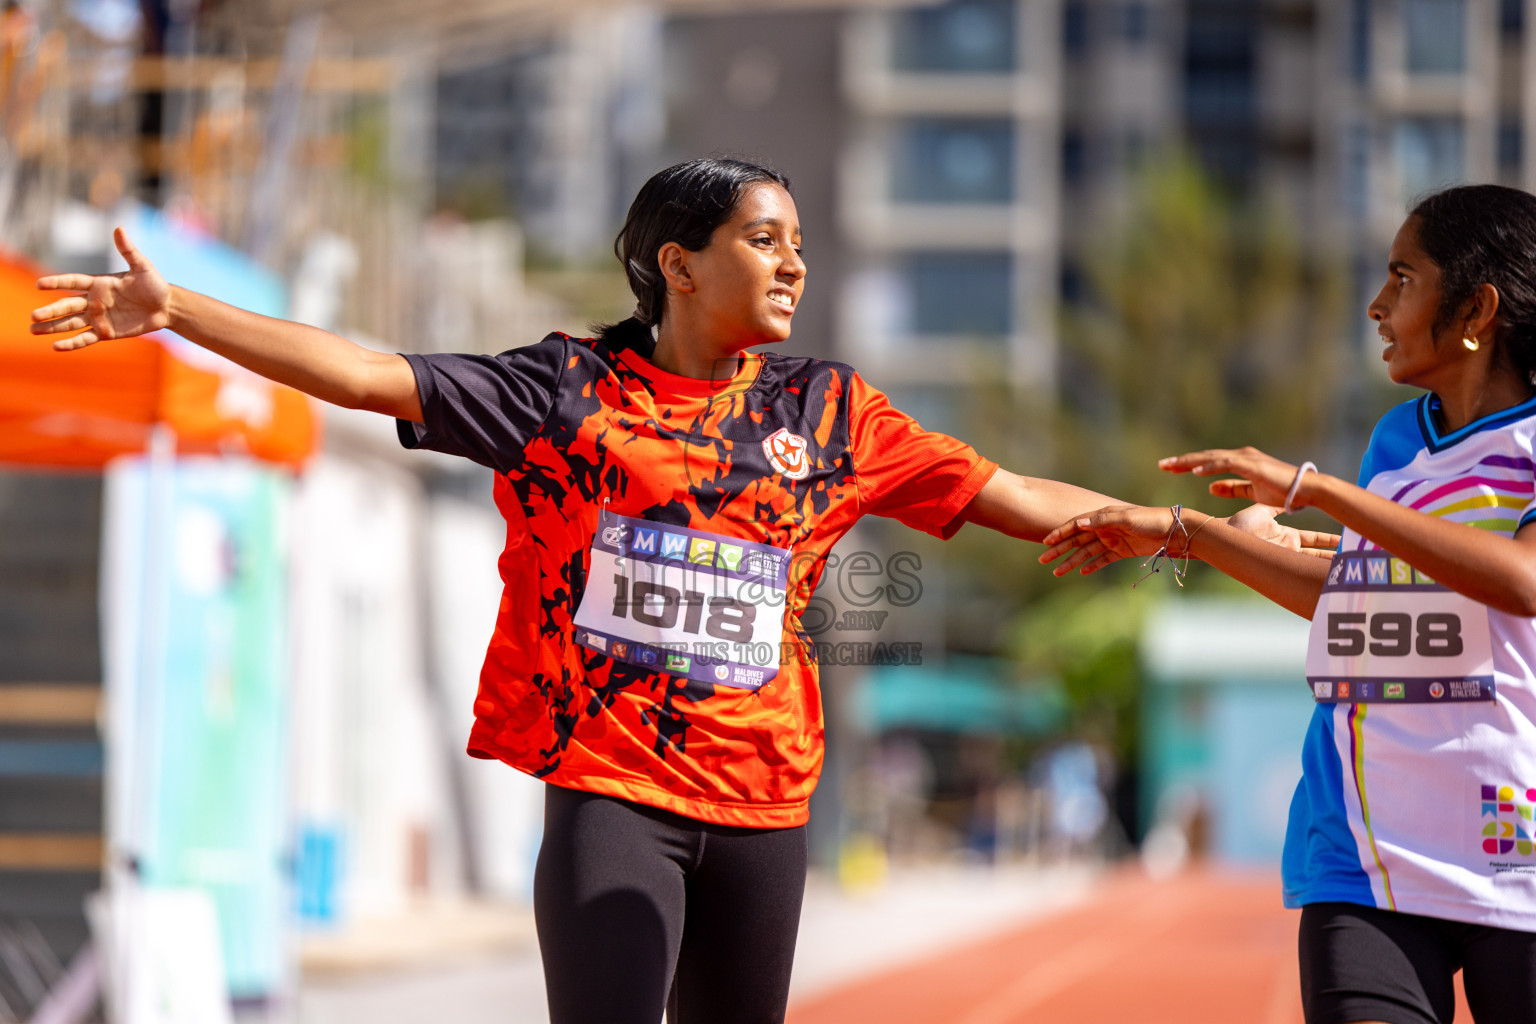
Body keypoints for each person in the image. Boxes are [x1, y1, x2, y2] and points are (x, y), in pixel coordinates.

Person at [31, 157, 1325, 1024]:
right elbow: (371, 378)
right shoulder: (564, 389)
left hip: (766, 804)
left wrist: (1182, 531)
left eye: (801, 246)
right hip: (613, 795)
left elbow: (1012, 496)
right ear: (676, 262)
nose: (794, 265)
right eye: (764, 241)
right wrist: (178, 310)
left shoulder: (832, 412)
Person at [1040, 183, 1536, 1024]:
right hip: (1362, 851)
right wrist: (1183, 532)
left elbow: (1521, 582)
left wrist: (1317, 491)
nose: (1378, 305)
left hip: (1516, 844)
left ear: (1477, 307)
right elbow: (1354, 602)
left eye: (1402, 278)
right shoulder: (1396, 442)